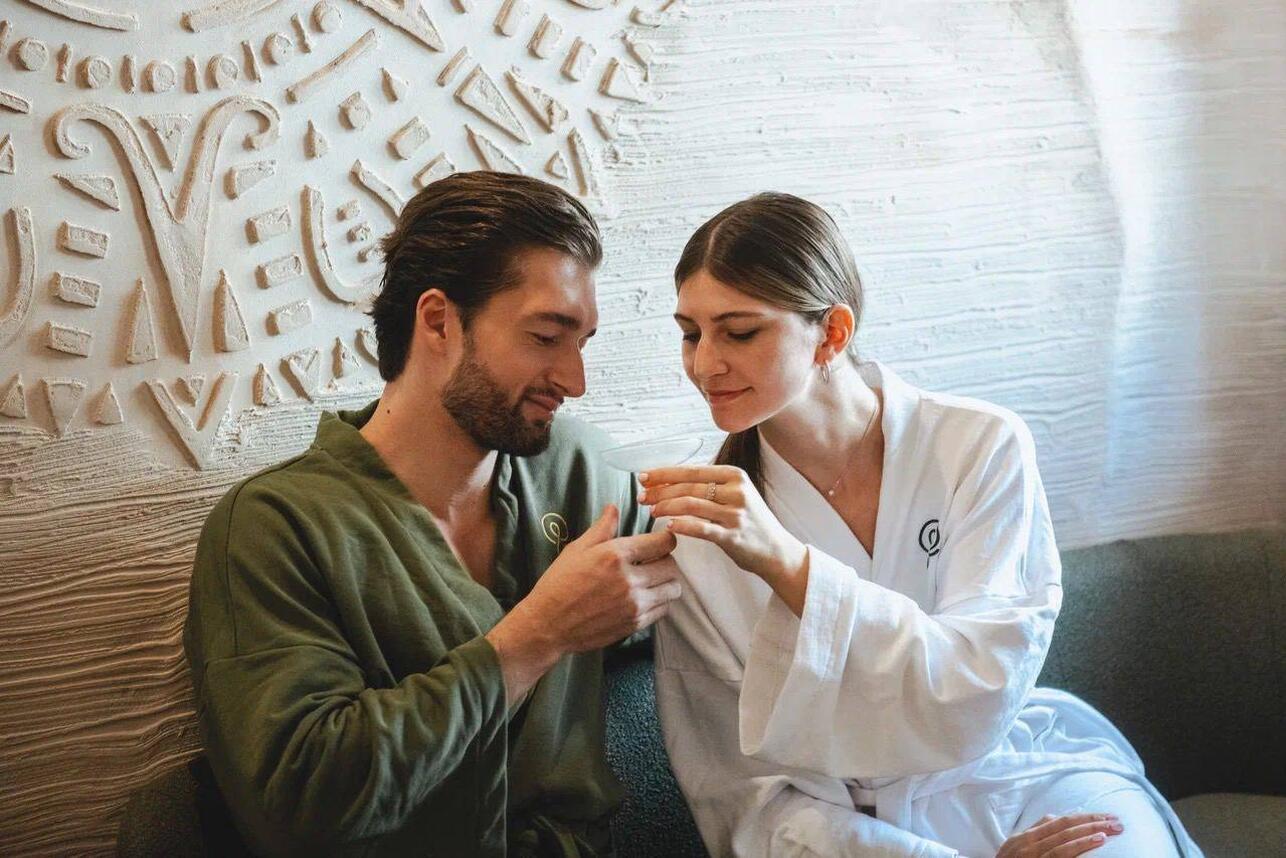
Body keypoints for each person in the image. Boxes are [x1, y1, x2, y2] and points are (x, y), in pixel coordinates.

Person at [646, 192, 1204, 857]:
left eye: (739, 332)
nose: (704, 364)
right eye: (690, 333)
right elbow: (744, 800)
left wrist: (788, 566)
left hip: (1020, 777)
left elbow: (980, 687)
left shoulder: (978, 445)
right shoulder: (698, 532)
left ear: (832, 332)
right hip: (849, 835)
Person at [183, 172, 683, 857]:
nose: (575, 380)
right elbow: (303, 800)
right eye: (546, 336)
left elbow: (720, 586)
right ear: (439, 321)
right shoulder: (276, 528)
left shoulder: (577, 472)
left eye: (583, 343)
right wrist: (535, 636)